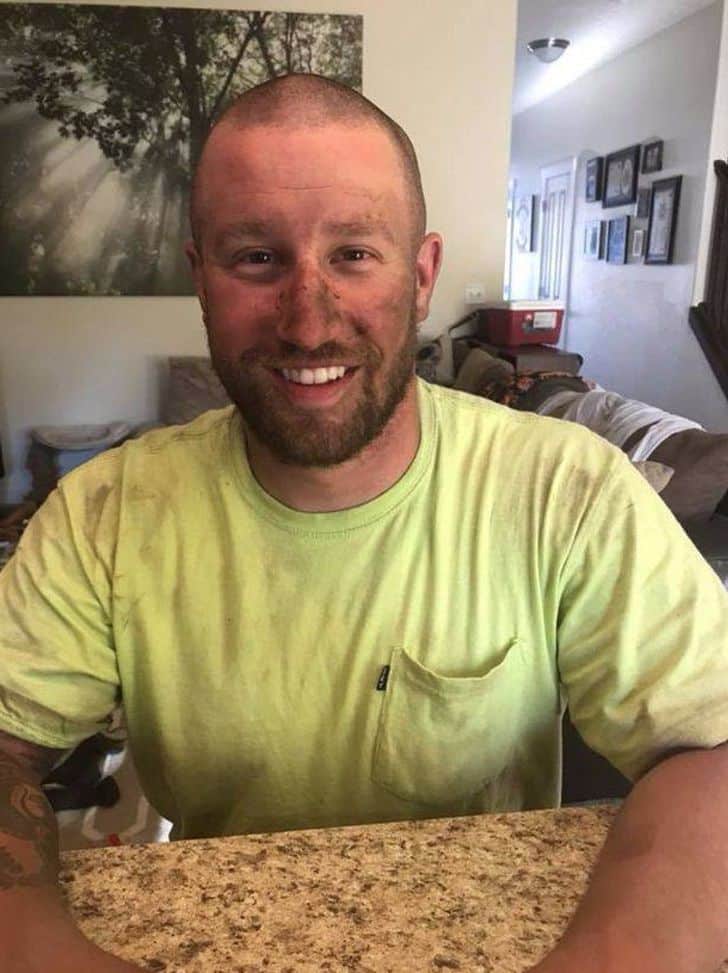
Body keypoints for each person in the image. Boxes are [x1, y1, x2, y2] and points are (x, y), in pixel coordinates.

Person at [1, 73, 727, 973]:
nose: (308, 325)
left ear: (420, 277)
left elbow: (710, 750)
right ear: (200, 279)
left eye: (352, 254)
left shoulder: (565, 490)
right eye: (256, 258)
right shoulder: (105, 515)